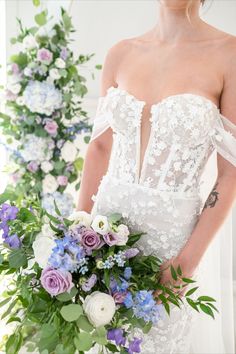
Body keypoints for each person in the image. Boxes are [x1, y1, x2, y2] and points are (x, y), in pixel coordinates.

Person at [77, 0, 236, 352]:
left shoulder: (230, 54)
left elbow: (230, 174)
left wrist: (185, 263)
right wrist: (79, 233)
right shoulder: (120, 53)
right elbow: (99, 149)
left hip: (173, 245)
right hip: (104, 237)